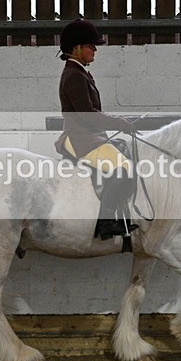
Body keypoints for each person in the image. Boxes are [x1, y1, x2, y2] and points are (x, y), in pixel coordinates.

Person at [54, 19, 139, 242]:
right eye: (91, 45)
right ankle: (106, 222)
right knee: (124, 170)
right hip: (81, 138)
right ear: (76, 48)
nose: (95, 50)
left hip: (90, 135)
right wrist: (120, 123)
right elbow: (87, 115)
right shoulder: (74, 75)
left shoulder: (80, 72)